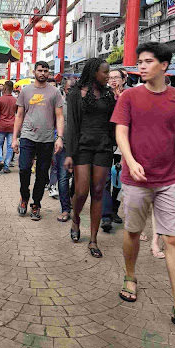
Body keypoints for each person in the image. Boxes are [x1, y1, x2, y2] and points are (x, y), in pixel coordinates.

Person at [112, 42, 175, 334]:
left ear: (164, 66)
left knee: (173, 240)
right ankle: (130, 276)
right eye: (140, 61)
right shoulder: (129, 96)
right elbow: (121, 131)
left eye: (148, 61)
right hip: (136, 178)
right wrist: (130, 161)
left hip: (169, 179)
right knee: (133, 232)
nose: (141, 66)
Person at [65, 58, 115, 257]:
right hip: (82, 146)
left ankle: (93, 240)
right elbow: (72, 125)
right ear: (94, 72)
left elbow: (113, 121)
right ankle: (76, 218)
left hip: (103, 146)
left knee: (98, 191)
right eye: (105, 72)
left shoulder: (109, 94)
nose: (108, 76)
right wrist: (70, 153)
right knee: (81, 190)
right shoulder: (75, 94)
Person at [12, 62, 64, 221]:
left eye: (45, 71)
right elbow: (19, 115)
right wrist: (14, 138)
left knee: (42, 174)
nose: (42, 73)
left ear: (49, 73)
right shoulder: (25, 91)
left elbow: (59, 116)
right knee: (24, 169)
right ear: (34, 71)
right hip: (27, 136)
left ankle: (36, 203)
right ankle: (24, 196)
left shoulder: (55, 92)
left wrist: (59, 137)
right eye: (40, 70)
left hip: (47, 138)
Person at [101, 69, 127, 232]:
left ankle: (114, 209)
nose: (113, 80)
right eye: (110, 78)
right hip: (105, 143)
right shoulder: (103, 96)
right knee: (105, 179)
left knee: (119, 177)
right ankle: (105, 215)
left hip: (123, 144)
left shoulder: (130, 96)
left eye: (116, 77)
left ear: (124, 79)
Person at [48, 77, 75, 222]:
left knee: (78, 179)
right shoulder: (59, 105)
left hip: (79, 147)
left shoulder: (82, 104)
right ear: (64, 89)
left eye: (74, 89)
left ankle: (73, 201)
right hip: (63, 145)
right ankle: (65, 208)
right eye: (69, 89)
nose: (72, 92)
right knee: (63, 178)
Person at [0, 80, 16, 174]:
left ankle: (0, 160)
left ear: (4, 89)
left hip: (1, 125)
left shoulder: (0, 100)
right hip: (12, 125)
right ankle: (6, 166)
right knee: (10, 146)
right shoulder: (15, 100)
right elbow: (19, 114)